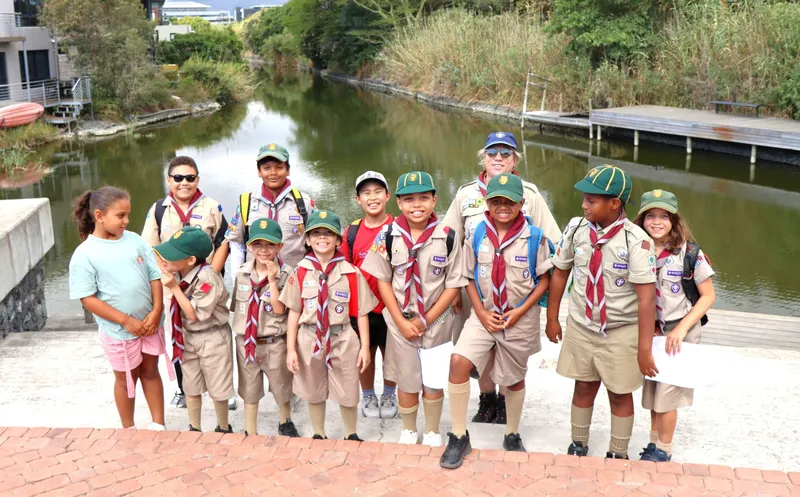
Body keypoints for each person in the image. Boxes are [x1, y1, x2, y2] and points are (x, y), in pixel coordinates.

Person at [442, 131, 560, 425]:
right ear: (482, 156)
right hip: (475, 294)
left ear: (515, 160)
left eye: (505, 153)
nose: (498, 158)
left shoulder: (530, 194)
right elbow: (449, 240)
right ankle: (487, 401)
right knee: (479, 350)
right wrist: (454, 288)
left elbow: (554, 243)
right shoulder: (465, 194)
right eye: (492, 152)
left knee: (509, 351)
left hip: (516, 294)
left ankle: (507, 404)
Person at [545, 165, 659, 460]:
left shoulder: (636, 241)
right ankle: (578, 442)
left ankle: (618, 452)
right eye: (584, 198)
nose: (584, 204)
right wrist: (552, 317)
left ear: (614, 203)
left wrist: (644, 349)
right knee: (583, 385)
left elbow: (646, 300)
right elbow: (560, 273)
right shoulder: (576, 230)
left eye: (591, 200)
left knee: (620, 393)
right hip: (582, 326)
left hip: (620, 331)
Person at [441, 173, 553, 468]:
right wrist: (478, 311)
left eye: (509, 201)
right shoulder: (477, 233)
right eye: (496, 201)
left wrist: (519, 311)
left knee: (515, 379)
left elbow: (544, 280)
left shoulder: (535, 237)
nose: (502, 206)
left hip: (520, 318)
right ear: (487, 204)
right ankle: (458, 435)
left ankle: (512, 433)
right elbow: (466, 275)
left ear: (521, 204)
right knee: (458, 362)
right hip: (484, 315)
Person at [362, 171, 467, 447]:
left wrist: (428, 319)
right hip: (400, 323)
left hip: (438, 321)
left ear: (435, 200)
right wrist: (400, 320)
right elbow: (383, 280)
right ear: (398, 202)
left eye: (423, 198)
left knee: (433, 379)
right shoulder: (386, 235)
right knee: (406, 379)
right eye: (409, 199)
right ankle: (409, 429)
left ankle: (432, 430)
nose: (416, 205)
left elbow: (454, 284)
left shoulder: (449, 236)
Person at [69, 186, 171, 430]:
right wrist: (125, 321)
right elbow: (87, 298)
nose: (126, 221)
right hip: (119, 331)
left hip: (150, 324)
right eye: (120, 215)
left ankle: (159, 425)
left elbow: (154, 275)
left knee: (150, 371)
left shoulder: (135, 241)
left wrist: (156, 311)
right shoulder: (85, 254)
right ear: (99, 216)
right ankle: (129, 428)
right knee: (126, 379)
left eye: (128, 215)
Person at [633, 190, 716, 462]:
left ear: (674, 220)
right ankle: (653, 443)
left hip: (679, 331)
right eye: (651, 216)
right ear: (642, 219)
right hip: (651, 330)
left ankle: (664, 450)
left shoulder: (689, 253)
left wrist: (681, 329)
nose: (657, 222)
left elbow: (708, 296)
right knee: (655, 389)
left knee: (669, 393)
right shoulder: (636, 248)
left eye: (664, 216)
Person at [280, 210, 377, 440]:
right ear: (307, 239)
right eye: (316, 234)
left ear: (338, 240)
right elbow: (294, 312)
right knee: (313, 389)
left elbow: (361, 313)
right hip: (309, 336)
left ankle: (351, 433)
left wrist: (364, 347)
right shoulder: (300, 272)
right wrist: (291, 349)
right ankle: (319, 433)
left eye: (328, 234)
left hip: (341, 336)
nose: (322, 238)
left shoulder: (351, 273)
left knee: (348, 387)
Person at [141, 155, 229, 410]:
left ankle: (222, 390)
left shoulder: (211, 206)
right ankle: (182, 388)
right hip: (172, 288)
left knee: (213, 337)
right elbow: (151, 249)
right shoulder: (159, 209)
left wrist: (209, 273)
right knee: (178, 337)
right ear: (169, 180)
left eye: (190, 178)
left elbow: (223, 243)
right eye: (178, 178)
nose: (184, 183)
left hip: (204, 287)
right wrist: (168, 278)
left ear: (198, 179)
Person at [155, 226, 235, 433]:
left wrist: (173, 287)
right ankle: (194, 427)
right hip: (189, 336)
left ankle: (223, 427)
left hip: (212, 337)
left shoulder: (208, 277)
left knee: (218, 386)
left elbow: (194, 314)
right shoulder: (180, 272)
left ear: (190, 260)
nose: (165, 259)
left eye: (172, 256)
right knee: (190, 384)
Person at [229, 218, 300, 437]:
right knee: (249, 388)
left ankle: (285, 421)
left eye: (270, 245)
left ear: (280, 246)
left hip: (274, 342)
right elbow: (236, 307)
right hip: (247, 342)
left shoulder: (286, 274)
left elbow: (280, 311)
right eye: (258, 244)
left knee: (282, 386)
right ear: (249, 246)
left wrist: (271, 280)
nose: (263, 250)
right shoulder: (241, 273)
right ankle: (250, 429)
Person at [341, 171, 398, 419]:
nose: (372, 197)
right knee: (365, 353)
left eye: (377, 192)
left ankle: (388, 393)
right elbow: (342, 269)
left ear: (387, 196)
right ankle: (368, 395)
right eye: (366, 193)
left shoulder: (399, 227)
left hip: (392, 307)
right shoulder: (351, 232)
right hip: (362, 309)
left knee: (392, 355)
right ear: (358, 199)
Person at [226, 143, 316, 274]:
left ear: (288, 170)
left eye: (279, 167)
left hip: (294, 280)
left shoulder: (304, 203)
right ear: (259, 171)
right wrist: (238, 281)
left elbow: (317, 242)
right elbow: (236, 245)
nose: (273, 173)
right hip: (256, 283)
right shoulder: (246, 203)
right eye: (267, 168)